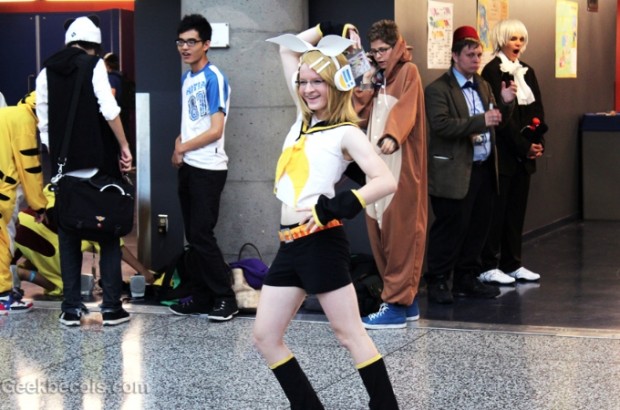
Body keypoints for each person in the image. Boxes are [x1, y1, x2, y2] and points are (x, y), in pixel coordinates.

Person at [253, 26, 399, 409]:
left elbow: (385, 180)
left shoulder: (345, 132)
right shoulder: (302, 119)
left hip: (320, 242)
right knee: (265, 337)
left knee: (349, 333)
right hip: (289, 245)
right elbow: (287, 51)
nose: (307, 89)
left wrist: (333, 207)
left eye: (317, 81)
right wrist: (324, 32)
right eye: (303, 82)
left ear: (334, 84)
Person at [36, 15, 133, 326]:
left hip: (65, 170)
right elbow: (109, 109)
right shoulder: (94, 66)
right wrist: (124, 146)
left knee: (69, 236)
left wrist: (60, 158)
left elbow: (44, 125)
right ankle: (112, 308)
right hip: (98, 166)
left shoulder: (46, 72)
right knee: (108, 236)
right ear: (95, 46)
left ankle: (70, 309)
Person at [423, 26, 516, 305]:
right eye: (470, 55)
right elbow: (441, 126)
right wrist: (481, 121)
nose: (476, 60)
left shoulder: (483, 85)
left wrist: (505, 104)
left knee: (478, 227)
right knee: (450, 228)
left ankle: (466, 278)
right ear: (455, 56)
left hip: (483, 168)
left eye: (478, 54)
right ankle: (438, 280)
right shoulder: (438, 89)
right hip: (454, 171)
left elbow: (496, 121)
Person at [347, 19, 427, 329]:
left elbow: (406, 110)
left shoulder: (409, 72)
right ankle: (404, 301)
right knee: (378, 229)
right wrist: (364, 74)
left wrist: (393, 134)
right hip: (377, 168)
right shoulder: (377, 78)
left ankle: (394, 304)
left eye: (384, 50)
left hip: (400, 167)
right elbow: (359, 112)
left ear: (396, 46)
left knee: (401, 234)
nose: (379, 56)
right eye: (375, 51)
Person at [168, 14, 237, 321]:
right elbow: (190, 125)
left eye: (191, 42)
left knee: (201, 234)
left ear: (206, 44)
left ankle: (226, 298)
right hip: (189, 166)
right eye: (181, 42)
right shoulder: (187, 79)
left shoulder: (214, 78)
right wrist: (178, 145)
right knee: (194, 237)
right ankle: (201, 296)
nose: (185, 47)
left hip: (209, 167)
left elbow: (215, 129)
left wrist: (182, 147)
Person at [479, 19, 546, 285]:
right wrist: (522, 146)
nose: (517, 43)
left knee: (516, 214)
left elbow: (537, 110)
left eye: (521, 39)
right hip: (503, 154)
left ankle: (512, 264)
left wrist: (537, 142)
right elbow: (501, 118)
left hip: (524, 156)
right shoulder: (492, 70)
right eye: (512, 38)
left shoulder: (527, 70)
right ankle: (488, 265)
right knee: (496, 213)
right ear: (501, 39)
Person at [13, 185, 154, 297]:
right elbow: (117, 247)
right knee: (65, 286)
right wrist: (145, 272)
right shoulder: (88, 215)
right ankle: (22, 273)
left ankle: (17, 274)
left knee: (14, 261)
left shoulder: (57, 185)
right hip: (54, 242)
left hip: (24, 222)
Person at [0, 91, 47, 314]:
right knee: (2, 243)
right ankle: (2, 297)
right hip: (2, 191)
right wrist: (39, 205)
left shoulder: (8, 113)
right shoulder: (25, 123)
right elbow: (30, 169)